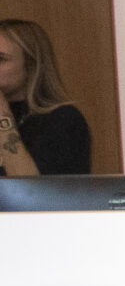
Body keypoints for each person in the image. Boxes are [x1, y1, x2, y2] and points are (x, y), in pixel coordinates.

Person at [0, 19, 91, 176]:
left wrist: (3, 117)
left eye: (1, 59)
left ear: (31, 65)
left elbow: (30, 187)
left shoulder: (62, 120)